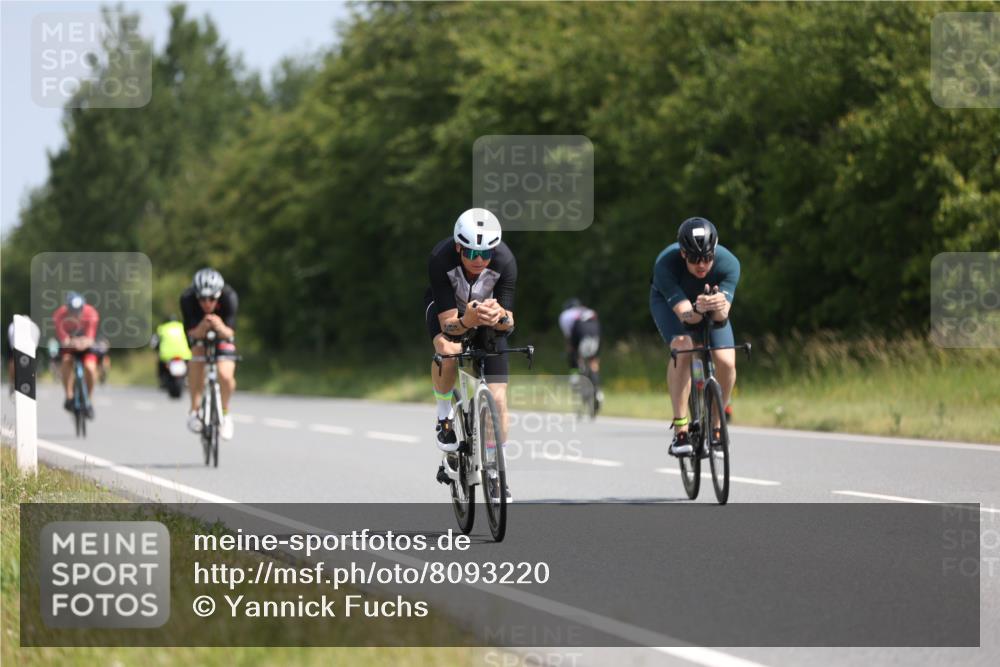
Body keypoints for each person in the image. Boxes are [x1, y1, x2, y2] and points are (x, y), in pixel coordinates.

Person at [425, 208, 517, 480]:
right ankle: (444, 416)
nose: (479, 260)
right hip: (451, 312)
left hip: (486, 317)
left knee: (499, 398)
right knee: (447, 348)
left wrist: (499, 317)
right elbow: (448, 324)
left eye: (486, 254)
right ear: (458, 247)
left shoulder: (506, 260)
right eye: (472, 253)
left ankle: (495, 470)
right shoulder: (440, 259)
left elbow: (510, 320)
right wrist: (468, 320)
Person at [649, 217, 740, 456]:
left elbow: (722, 317)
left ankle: (717, 424)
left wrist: (718, 305)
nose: (701, 265)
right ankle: (680, 430)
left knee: (726, 361)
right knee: (684, 345)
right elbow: (686, 317)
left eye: (708, 258)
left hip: (707, 307)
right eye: (694, 259)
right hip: (674, 307)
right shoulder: (665, 265)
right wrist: (698, 309)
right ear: (682, 254)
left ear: (715, 251)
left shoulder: (729, 264)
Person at [180, 268, 238, 440]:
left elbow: (230, 333)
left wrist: (219, 327)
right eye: (203, 299)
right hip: (198, 336)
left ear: (219, 295)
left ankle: (225, 414)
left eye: (212, 298)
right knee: (195, 362)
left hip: (222, 336)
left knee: (225, 375)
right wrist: (202, 327)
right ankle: (194, 410)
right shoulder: (187, 299)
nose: (207, 303)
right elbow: (191, 334)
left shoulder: (229, 297)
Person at [53, 292, 100, 418]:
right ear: (67, 308)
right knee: (66, 361)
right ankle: (69, 396)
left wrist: (82, 343)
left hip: (85, 345)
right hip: (70, 345)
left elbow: (90, 338)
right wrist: (71, 343)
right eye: (72, 311)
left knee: (90, 368)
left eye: (78, 311)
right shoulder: (59, 315)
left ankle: (89, 401)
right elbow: (64, 339)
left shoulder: (91, 313)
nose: (75, 314)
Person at [558, 297, 603, 409]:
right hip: (595, 330)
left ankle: (575, 376)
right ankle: (598, 392)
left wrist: (571, 351)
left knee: (575, 355)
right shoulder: (587, 310)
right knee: (593, 362)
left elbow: (569, 338)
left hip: (580, 330)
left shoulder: (565, 315)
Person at [152, 314, 192, 387]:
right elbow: (190, 339)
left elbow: (154, 342)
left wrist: (156, 349)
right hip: (184, 354)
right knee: (191, 366)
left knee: (160, 365)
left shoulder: (162, 328)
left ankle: (161, 379)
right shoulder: (182, 327)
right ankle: (189, 378)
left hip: (166, 355)